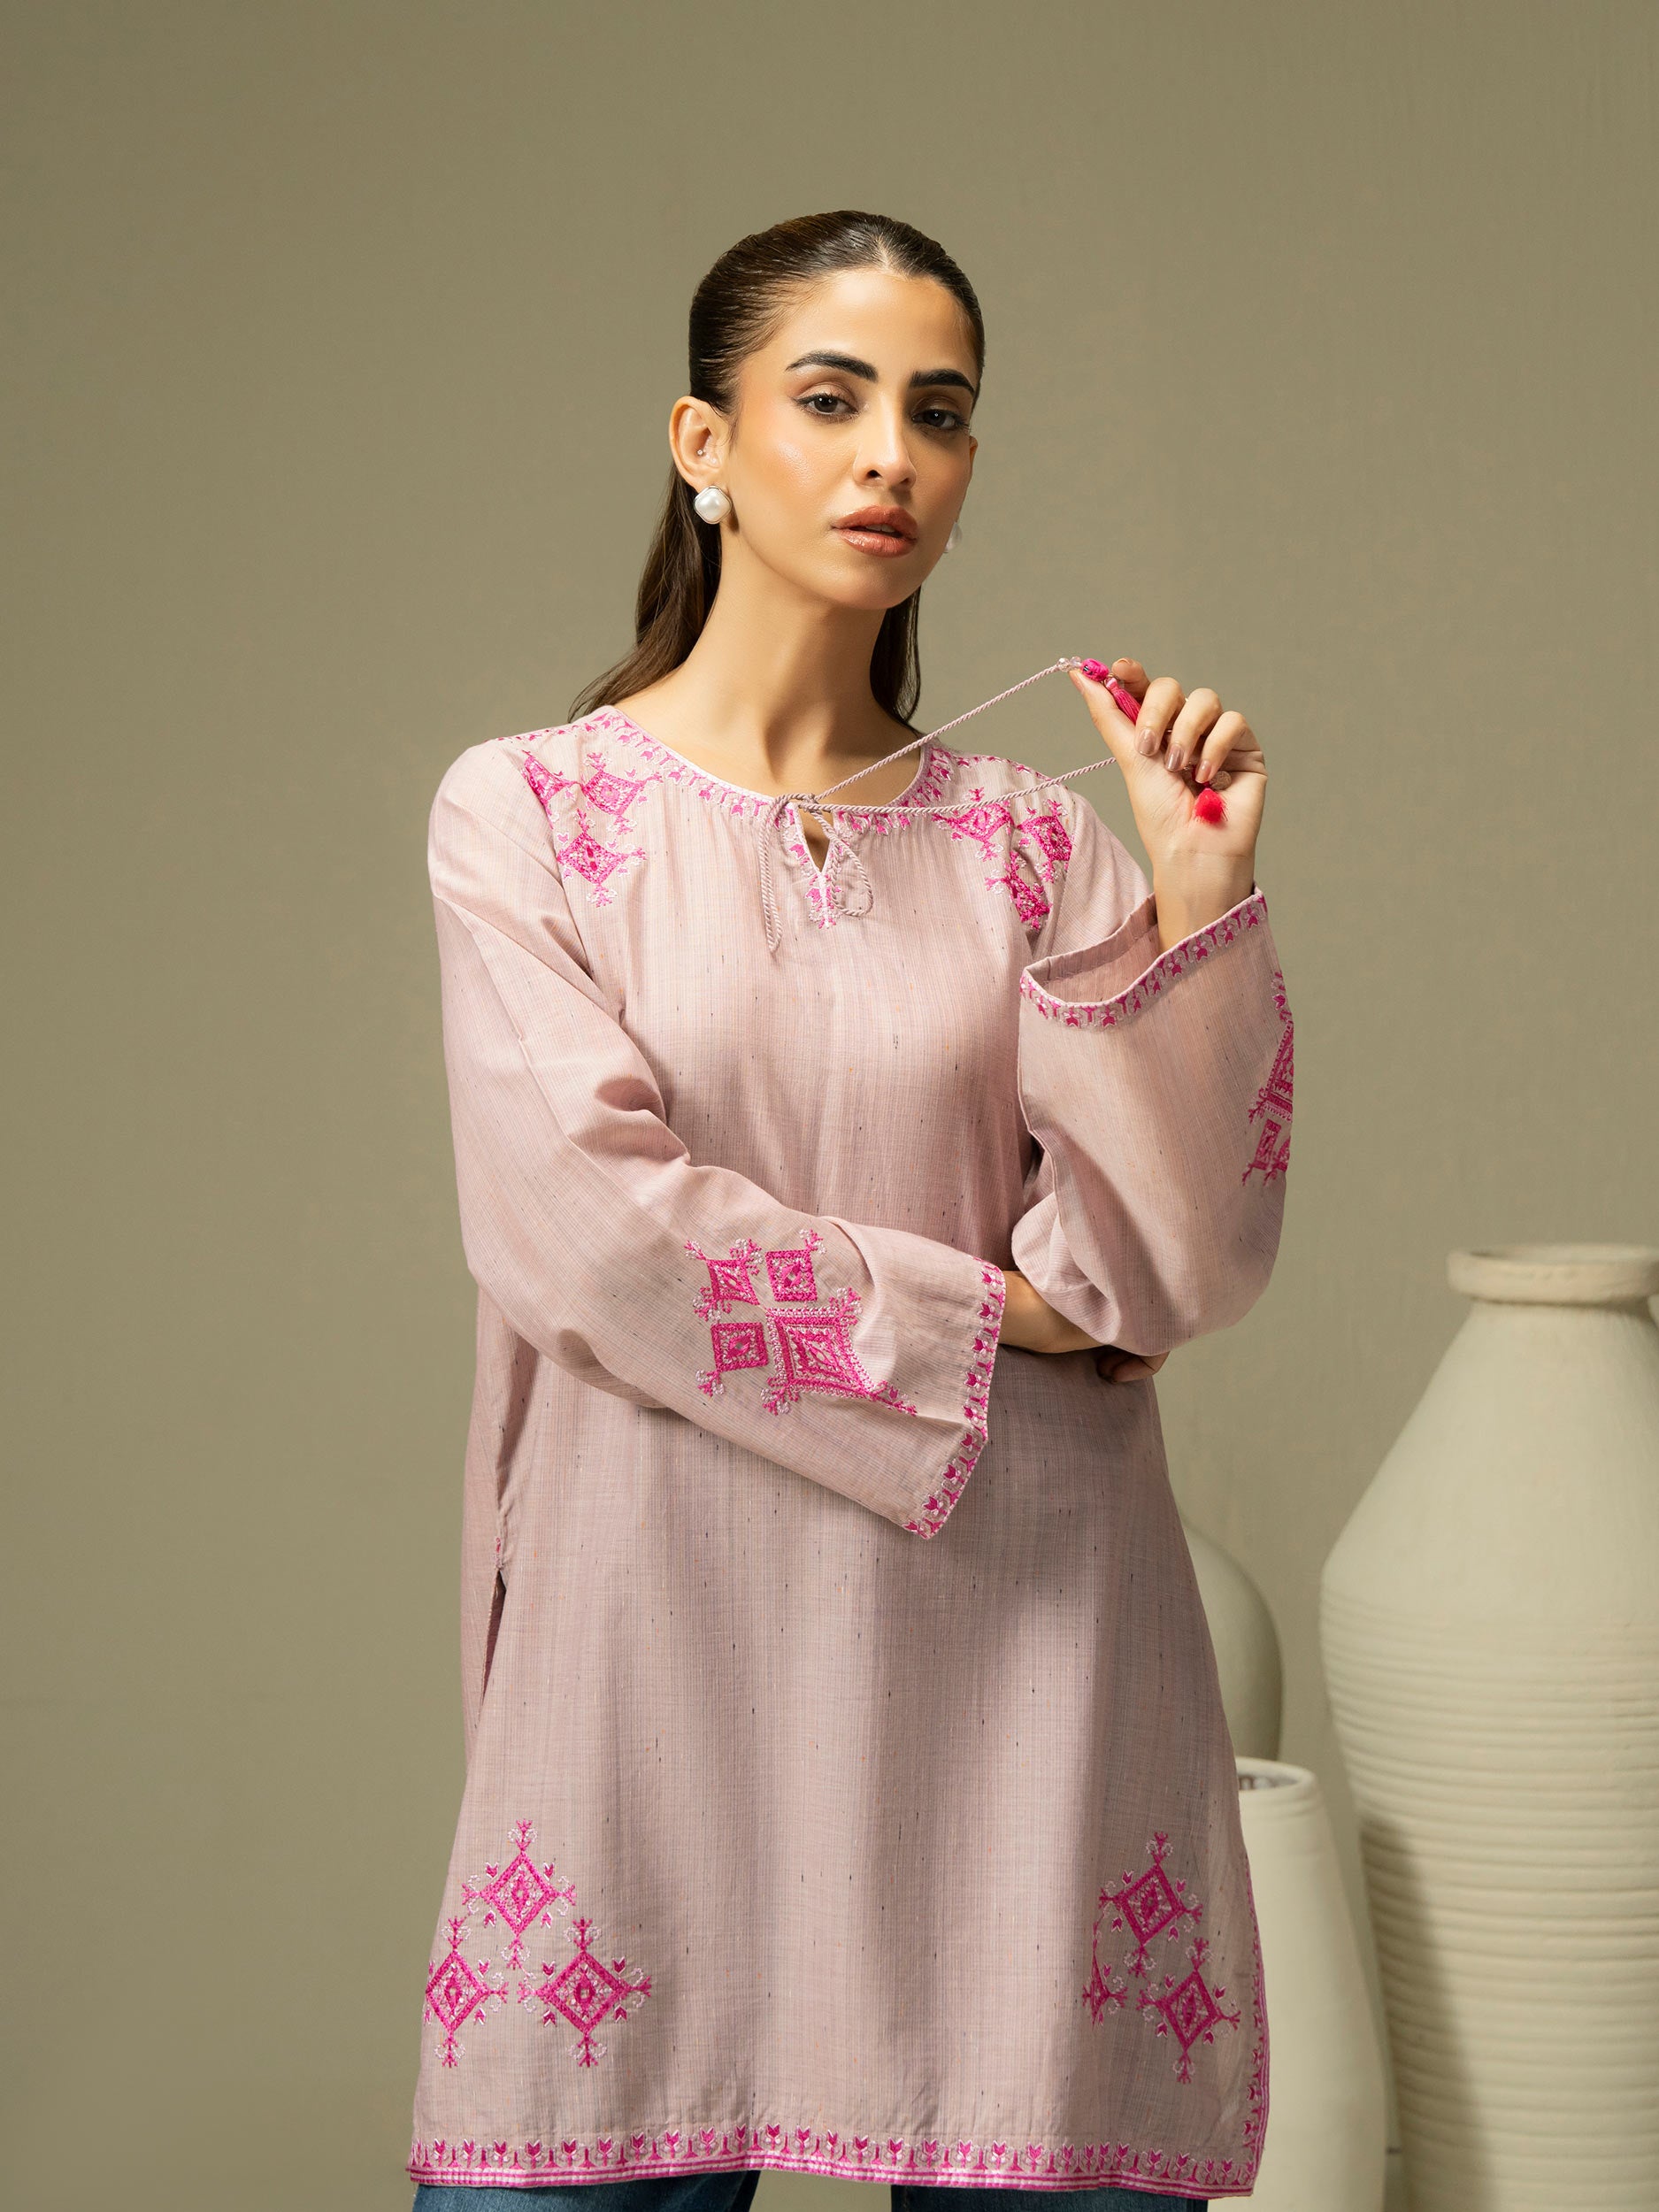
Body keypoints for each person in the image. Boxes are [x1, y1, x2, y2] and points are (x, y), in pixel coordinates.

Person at [409, 209, 1289, 2212]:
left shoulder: (1037, 846)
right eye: (830, 398)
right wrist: (1000, 1316)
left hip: (1026, 1644)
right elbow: (594, 1232)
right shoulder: (528, 814)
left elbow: (1169, 1266)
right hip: (654, 1641)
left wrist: (1196, 902)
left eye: (939, 411)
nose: (893, 452)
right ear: (701, 444)